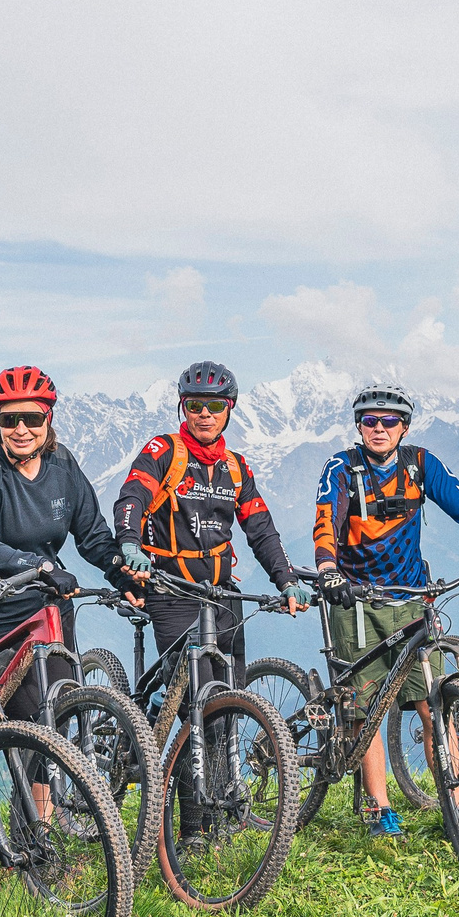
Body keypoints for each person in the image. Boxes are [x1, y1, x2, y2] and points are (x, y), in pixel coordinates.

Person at [309, 382, 459, 836]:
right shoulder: (342, 468)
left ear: (404, 427)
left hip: (412, 600)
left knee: (435, 706)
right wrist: (328, 569)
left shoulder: (420, 464)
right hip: (357, 600)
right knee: (365, 709)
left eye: (390, 421)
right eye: (370, 421)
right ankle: (379, 809)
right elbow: (326, 519)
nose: (380, 429)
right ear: (359, 427)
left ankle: (453, 803)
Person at [113, 360, 304, 845]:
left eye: (214, 407)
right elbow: (131, 496)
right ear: (183, 407)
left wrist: (285, 579)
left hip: (223, 597)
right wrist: (130, 542)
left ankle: (218, 812)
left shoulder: (235, 467)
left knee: (225, 708)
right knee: (194, 708)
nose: (204, 414)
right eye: (195, 406)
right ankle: (192, 828)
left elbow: (260, 528)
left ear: (229, 411)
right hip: (173, 594)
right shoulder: (165, 451)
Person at [0, 365, 135, 718]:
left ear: (48, 419)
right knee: (32, 720)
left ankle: (49, 776)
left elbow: (92, 534)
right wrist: (39, 566)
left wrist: (121, 574)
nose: (21, 429)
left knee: (61, 713)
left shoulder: (62, 464)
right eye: (10, 420)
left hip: (49, 608)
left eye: (32, 418)